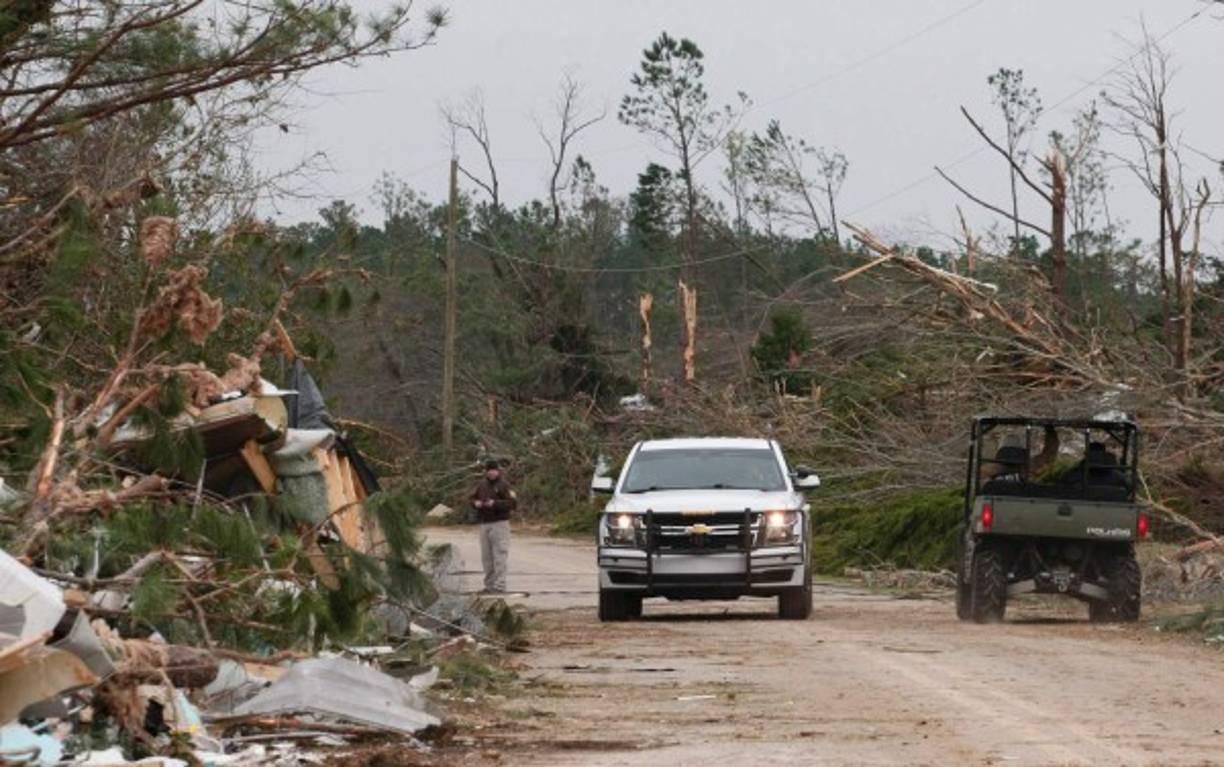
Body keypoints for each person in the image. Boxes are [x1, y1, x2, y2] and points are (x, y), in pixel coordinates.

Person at [469, 459, 517, 594]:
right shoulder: (481, 485)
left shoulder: (504, 485)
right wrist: (475, 503)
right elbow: (471, 499)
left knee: (499, 555)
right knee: (486, 557)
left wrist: (495, 503)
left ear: (498, 471)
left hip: (500, 524)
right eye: (489, 470)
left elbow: (513, 504)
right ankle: (489, 586)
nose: (491, 473)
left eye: (494, 470)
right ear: (486, 471)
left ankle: (500, 586)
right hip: (484, 524)